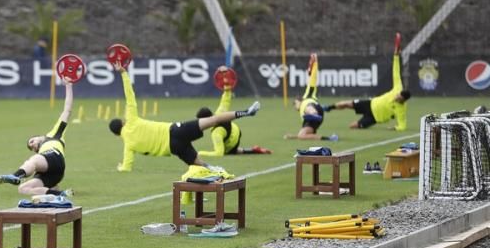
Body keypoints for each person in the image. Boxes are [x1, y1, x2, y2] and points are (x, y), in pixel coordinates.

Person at [108, 60, 260, 171]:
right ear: (123, 122)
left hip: (174, 148)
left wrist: (121, 167)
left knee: (198, 164)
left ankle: (215, 169)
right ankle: (247, 112)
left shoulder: (128, 144)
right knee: (214, 120)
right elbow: (129, 95)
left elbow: (127, 166)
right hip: (175, 130)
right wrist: (123, 73)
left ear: (117, 135)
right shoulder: (131, 120)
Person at [0, 78, 75, 196]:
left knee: (34, 160)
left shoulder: (53, 135)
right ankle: (61, 193)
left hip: (55, 159)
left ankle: (16, 176)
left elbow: (67, 110)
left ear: (39, 136)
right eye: (31, 147)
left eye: (31, 141)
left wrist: (68, 86)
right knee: (23, 189)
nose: (32, 145)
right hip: (53, 175)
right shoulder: (39, 155)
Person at [324, 51, 411, 130]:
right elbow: (396, 71)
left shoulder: (401, 110)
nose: (396, 97)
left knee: (353, 127)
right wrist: (396, 55)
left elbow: (402, 126)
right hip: (370, 103)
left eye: (399, 98)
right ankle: (328, 108)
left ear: (403, 100)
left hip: (373, 118)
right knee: (347, 104)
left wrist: (394, 128)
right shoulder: (398, 88)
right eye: (398, 95)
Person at [196, 67, 272, 156]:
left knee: (225, 151)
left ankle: (247, 113)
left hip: (231, 139)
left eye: (200, 121)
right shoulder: (219, 112)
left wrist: (199, 153)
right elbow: (227, 96)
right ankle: (254, 150)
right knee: (230, 149)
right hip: (235, 130)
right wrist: (225, 76)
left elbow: (218, 154)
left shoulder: (216, 133)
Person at [284, 53, 339, 141]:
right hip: (314, 117)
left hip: (314, 109)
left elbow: (312, 79)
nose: (295, 107)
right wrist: (292, 136)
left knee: (307, 108)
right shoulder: (303, 113)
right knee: (301, 135)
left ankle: (313, 113)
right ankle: (330, 138)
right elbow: (305, 134)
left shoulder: (307, 96)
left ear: (298, 100)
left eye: (294, 104)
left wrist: (315, 63)